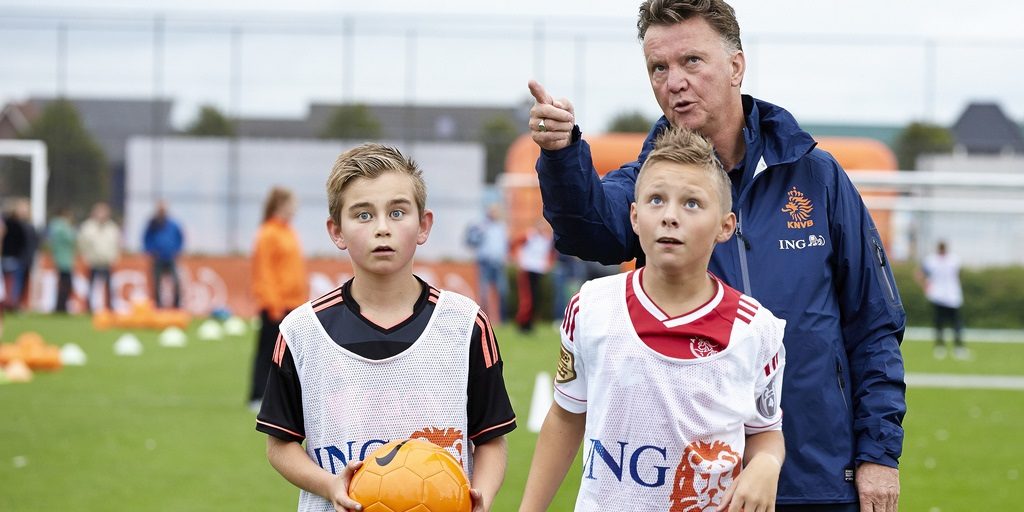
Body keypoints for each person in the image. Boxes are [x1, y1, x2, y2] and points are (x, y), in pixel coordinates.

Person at [526, 1, 906, 510]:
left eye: (691, 61)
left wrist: (879, 453)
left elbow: (874, 323)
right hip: (691, 488)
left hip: (817, 473)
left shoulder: (817, 176)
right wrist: (561, 154)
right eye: (658, 68)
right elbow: (588, 231)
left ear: (736, 66)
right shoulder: (650, 184)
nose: (674, 82)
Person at [520, 127, 786, 511]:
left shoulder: (755, 330)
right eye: (656, 200)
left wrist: (767, 462)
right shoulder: (591, 307)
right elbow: (565, 416)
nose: (670, 217)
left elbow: (766, 431)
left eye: (692, 203)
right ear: (634, 215)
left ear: (725, 226)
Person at [255, 143, 516, 512]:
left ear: (423, 225)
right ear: (336, 231)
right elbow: (280, 445)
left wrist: (481, 498)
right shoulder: (301, 331)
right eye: (363, 215)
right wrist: (330, 484)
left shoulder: (465, 324)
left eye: (397, 212)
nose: (382, 228)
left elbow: (490, 438)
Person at [249, 187, 308, 411]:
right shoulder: (268, 233)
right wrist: (273, 303)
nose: (295, 209)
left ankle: (284, 399)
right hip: (276, 305)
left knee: (289, 357)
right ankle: (257, 396)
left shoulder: (289, 232)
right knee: (268, 352)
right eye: (292, 204)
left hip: (293, 304)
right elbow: (264, 272)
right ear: (280, 204)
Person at [917, 240, 966, 360]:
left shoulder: (954, 260)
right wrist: (925, 286)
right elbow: (919, 274)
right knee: (939, 322)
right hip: (938, 295)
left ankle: (958, 346)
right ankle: (940, 346)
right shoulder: (931, 260)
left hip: (953, 296)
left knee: (956, 323)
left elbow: (958, 274)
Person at [465, 203, 509, 322]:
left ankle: (502, 319)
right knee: (483, 291)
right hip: (484, 262)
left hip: (499, 262)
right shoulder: (480, 225)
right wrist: (479, 233)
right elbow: (470, 241)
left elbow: (504, 245)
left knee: (502, 290)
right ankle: (482, 317)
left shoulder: (501, 226)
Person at [78, 202, 122, 311]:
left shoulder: (112, 228)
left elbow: (117, 244)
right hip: (93, 262)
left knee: (109, 287)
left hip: (107, 262)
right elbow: (82, 244)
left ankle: (110, 307)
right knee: (91, 286)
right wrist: (85, 257)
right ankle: (88, 307)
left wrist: (115, 258)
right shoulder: (88, 227)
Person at [142, 200, 184, 308]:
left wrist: (177, 250)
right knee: (157, 283)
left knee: (176, 282)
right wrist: (150, 250)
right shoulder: (153, 224)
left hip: (171, 258)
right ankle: (158, 305)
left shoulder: (174, 224)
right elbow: (146, 239)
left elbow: (180, 238)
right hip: (157, 258)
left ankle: (176, 305)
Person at [513, 220, 553, 333]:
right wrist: (518, 258)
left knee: (535, 298)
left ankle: (530, 322)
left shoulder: (546, 239)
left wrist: (548, 263)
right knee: (527, 298)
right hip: (527, 269)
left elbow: (550, 253)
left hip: (538, 270)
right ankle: (523, 322)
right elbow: (514, 244)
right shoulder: (529, 235)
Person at [2, 198, 38, 311]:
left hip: (23, 258)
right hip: (10, 257)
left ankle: (14, 303)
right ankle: (9, 303)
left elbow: (32, 243)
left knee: (18, 282)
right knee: (10, 282)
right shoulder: (10, 223)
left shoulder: (28, 226)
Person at [46, 207, 77, 313]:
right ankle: (61, 306)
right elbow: (72, 239)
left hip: (60, 259)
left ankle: (60, 306)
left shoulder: (54, 226)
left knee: (63, 284)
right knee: (66, 284)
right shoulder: (62, 227)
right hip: (64, 261)